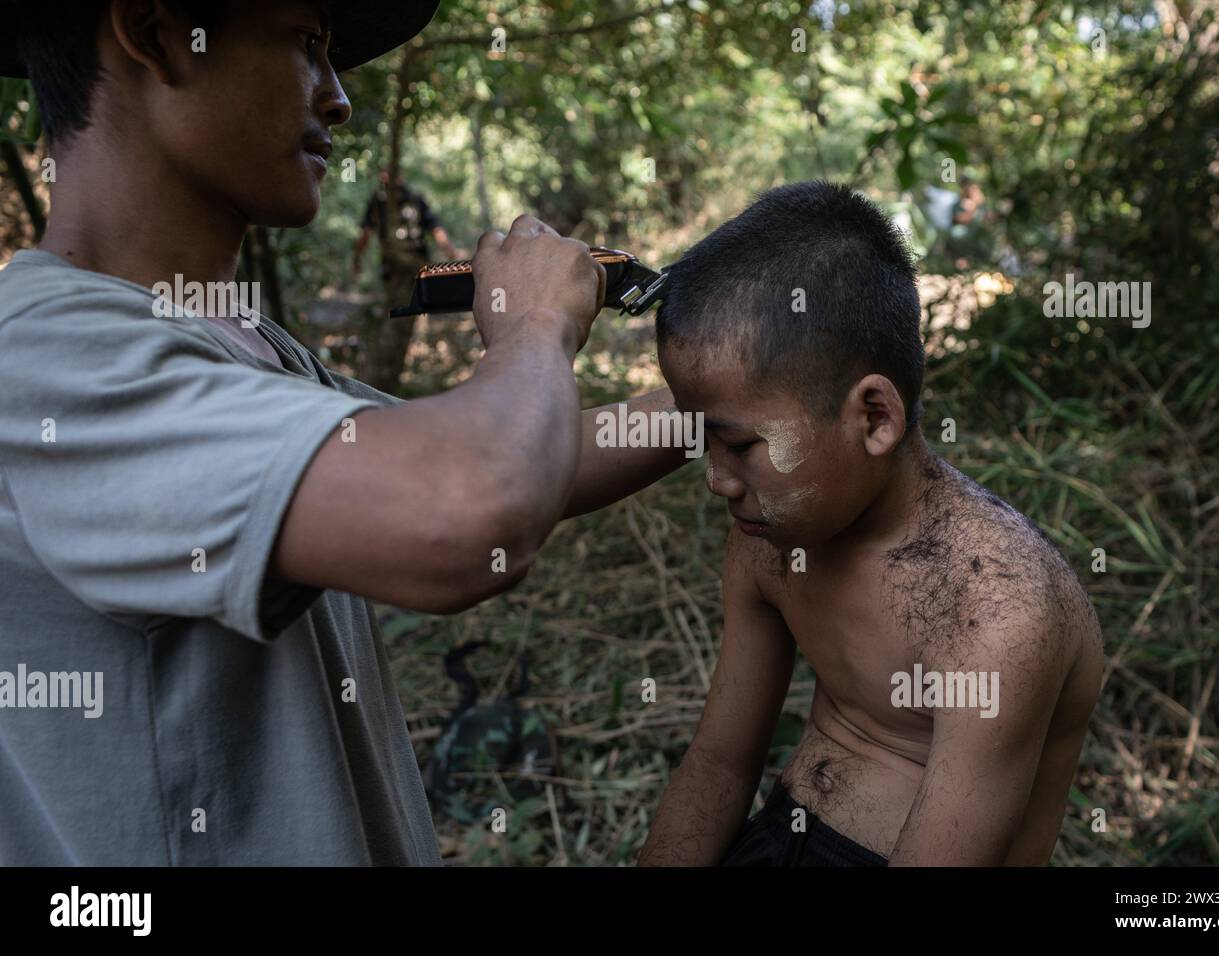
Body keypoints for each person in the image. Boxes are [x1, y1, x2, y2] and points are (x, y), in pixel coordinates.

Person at [0, 0, 687, 865]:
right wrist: (535, 327)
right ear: (158, 34)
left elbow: (534, 458)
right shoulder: (50, 352)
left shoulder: (240, 348)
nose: (338, 99)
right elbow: (470, 504)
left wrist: (722, 395)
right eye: (307, 43)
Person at [637, 181, 1104, 866]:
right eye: (700, 440)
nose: (716, 478)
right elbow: (721, 763)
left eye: (738, 445)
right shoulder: (772, 541)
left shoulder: (998, 606)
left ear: (875, 418)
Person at [350, 167, 461, 282]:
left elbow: (435, 229)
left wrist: (450, 252)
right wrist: (357, 259)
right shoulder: (379, 202)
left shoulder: (414, 200)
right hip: (396, 266)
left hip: (413, 263)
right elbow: (366, 233)